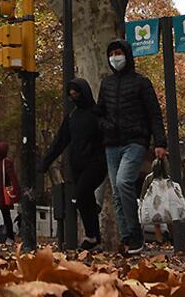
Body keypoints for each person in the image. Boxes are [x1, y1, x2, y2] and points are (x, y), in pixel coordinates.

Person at [97, 39, 167, 254]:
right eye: (112, 53)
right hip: (112, 144)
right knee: (117, 193)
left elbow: (154, 113)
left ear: (127, 55)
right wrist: (105, 127)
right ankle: (127, 236)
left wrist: (160, 143)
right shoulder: (106, 84)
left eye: (118, 52)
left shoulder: (141, 83)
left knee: (123, 181)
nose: (115, 57)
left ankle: (136, 233)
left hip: (135, 142)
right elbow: (99, 113)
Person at [38, 78, 107, 250]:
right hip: (77, 165)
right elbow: (60, 142)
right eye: (71, 94)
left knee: (82, 194)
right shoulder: (72, 117)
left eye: (77, 93)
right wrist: (45, 162)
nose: (74, 96)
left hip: (97, 163)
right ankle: (94, 238)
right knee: (86, 199)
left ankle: (91, 236)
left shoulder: (98, 113)